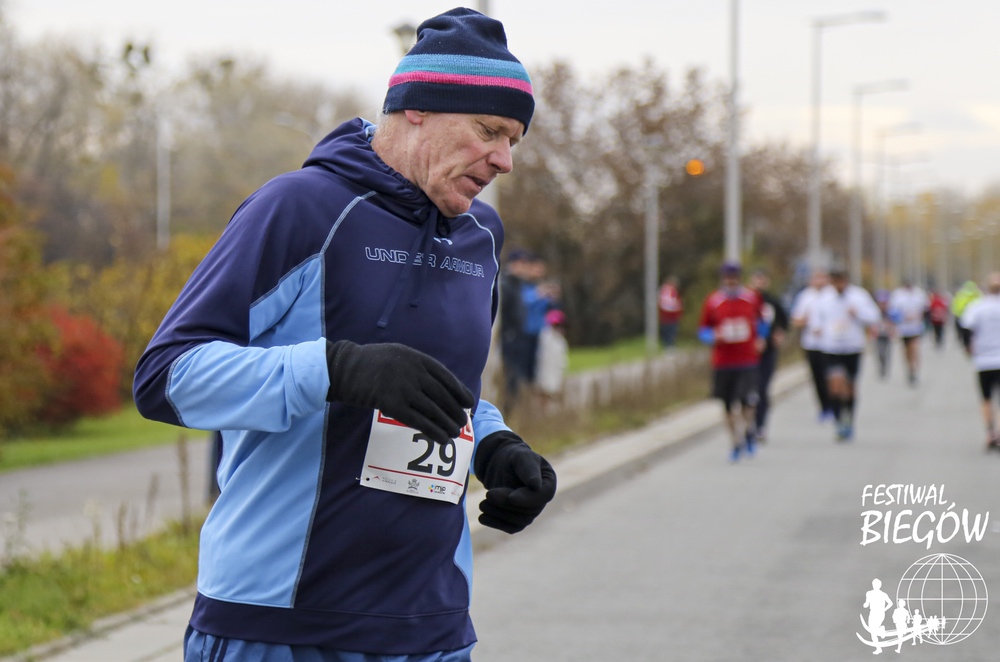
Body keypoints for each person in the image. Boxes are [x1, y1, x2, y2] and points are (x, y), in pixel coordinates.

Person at [133, 9, 557, 661]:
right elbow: (167, 377)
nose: (503, 159)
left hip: (431, 626)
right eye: (488, 131)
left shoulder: (480, 238)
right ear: (417, 108)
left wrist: (495, 446)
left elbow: (449, 391)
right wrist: (337, 369)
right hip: (280, 623)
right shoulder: (300, 208)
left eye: (513, 141)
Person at [698, 261, 768, 462]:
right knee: (728, 405)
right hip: (724, 361)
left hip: (747, 359)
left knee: (748, 402)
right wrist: (713, 337)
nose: (731, 281)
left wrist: (761, 338)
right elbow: (703, 330)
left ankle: (748, 433)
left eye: (734, 277)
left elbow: (763, 321)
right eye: (727, 277)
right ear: (722, 279)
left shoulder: (751, 298)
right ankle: (735, 442)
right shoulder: (713, 301)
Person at [815, 267, 880, 441]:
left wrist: (858, 313)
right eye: (835, 282)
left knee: (850, 387)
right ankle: (838, 422)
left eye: (841, 281)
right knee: (835, 385)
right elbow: (816, 318)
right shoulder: (825, 297)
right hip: (831, 347)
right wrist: (817, 328)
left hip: (852, 347)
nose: (839, 285)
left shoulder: (859, 296)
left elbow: (874, 316)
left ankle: (849, 418)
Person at [959, 272, 1000, 451]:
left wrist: (968, 348)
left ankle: (990, 432)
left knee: (986, 398)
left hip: (984, 359)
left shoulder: (977, 306)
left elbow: (966, 329)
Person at [749, 268, 788, 443]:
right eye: (756, 280)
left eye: (762, 280)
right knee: (748, 391)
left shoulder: (773, 301)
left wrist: (779, 334)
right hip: (747, 354)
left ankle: (760, 425)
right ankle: (748, 424)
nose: (759, 283)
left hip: (768, 351)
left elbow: (784, 322)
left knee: (762, 389)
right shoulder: (746, 301)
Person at [791, 269, 833, 422]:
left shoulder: (832, 295)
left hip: (830, 344)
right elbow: (796, 320)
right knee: (817, 377)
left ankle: (834, 404)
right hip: (811, 343)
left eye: (822, 278)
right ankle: (824, 407)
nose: (819, 282)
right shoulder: (805, 297)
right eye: (816, 278)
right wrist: (805, 321)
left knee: (831, 376)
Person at [500, 248, 532, 403]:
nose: (523, 267)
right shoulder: (506, 284)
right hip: (509, 337)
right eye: (520, 263)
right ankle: (507, 405)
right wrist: (508, 333)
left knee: (517, 376)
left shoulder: (519, 284)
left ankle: (513, 405)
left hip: (519, 336)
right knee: (509, 375)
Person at [888, 279, 929, 386]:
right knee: (906, 351)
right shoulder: (897, 295)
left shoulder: (919, 294)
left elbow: (925, 309)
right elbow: (892, 311)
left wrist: (918, 316)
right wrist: (901, 318)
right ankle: (909, 368)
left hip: (915, 327)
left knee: (914, 348)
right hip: (903, 328)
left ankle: (914, 368)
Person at [534, 308, 569, 409]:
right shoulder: (545, 337)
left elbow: (562, 359)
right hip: (545, 371)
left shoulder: (561, 341)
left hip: (555, 372)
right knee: (544, 394)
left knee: (553, 395)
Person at [863, 578, 894, 655]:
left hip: (878, 612)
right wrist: (865, 605)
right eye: (874, 584)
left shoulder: (882, 594)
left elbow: (890, 603)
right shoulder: (869, 593)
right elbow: (867, 603)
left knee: (873, 631)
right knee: (872, 632)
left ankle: (880, 630)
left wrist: (884, 609)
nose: (875, 585)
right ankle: (878, 647)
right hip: (874, 612)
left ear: (880, 585)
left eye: (876, 584)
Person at [952, 279, 982, 353]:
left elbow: (955, 304)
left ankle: (967, 345)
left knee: (964, 332)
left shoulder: (961, 294)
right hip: (969, 316)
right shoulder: (977, 293)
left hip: (962, 315)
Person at [871, 290, 895, 380]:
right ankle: (881, 367)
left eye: (884, 303)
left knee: (887, 353)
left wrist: (892, 331)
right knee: (880, 353)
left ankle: (885, 368)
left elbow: (894, 324)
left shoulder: (890, 313)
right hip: (878, 336)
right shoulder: (874, 312)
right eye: (881, 303)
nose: (882, 305)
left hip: (887, 336)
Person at [657, 275, 684, 349]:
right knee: (669, 330)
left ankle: (669, 345)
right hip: (669, 315)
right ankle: (668, 345)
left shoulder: (669, 291)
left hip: (671, 316)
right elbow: (667, 303)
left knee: (671, 330)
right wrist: (676, 307)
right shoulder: (667, 290)